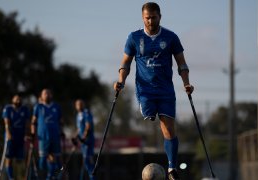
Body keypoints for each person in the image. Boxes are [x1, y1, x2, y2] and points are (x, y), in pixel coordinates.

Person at [113, 2, 194, 180]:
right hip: (146, 90)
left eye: (153, 17)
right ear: (143, 18)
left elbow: (182, 63)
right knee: (149, 114)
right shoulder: (134, 37)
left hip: (166, 90)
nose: (150, 21)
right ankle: (150, 111)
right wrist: (121, 80)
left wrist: (186, 83)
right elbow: (125, 62)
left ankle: (172, 168)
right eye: (147, 18)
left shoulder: (171, 37)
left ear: (160, 17)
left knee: (168, 129)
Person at [31, 89, 63, 179]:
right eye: (45, 93)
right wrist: (33, 133)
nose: (47, 95)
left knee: (56, 159)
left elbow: (60, 121)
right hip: (43, 138)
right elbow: (33, 122)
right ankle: (48, 174)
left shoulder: (56, 106)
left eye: (48, 93)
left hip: (55, 136)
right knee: (42, 162)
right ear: (41, 96)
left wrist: (62, 132)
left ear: (51, 95)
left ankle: (53, 176)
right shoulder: (38, 107)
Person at [2, 94, 30, 180]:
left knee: (20, 159)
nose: (18, 100)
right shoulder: (8, 108)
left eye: (19, 99)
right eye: (16, 99)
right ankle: (11, 178)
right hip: (11, 137)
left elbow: (27, 123)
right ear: (12, 100)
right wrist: (8, 133)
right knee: (9, 158)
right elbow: (6, 122)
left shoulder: (25, 109)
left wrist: (27, 134)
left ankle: (23, 176)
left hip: (20, 137)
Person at [72, 99, 95, 180]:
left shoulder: (86, 112)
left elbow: (88, 126)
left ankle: (93, 177)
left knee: (88, 160)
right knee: (85, 161)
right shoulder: (78, 115)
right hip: (83, 142)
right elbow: (79, 129)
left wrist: (84, 137)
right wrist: (75, 137)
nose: (79, 106)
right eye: (78, 104)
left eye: (81, 104)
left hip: (88, 141)